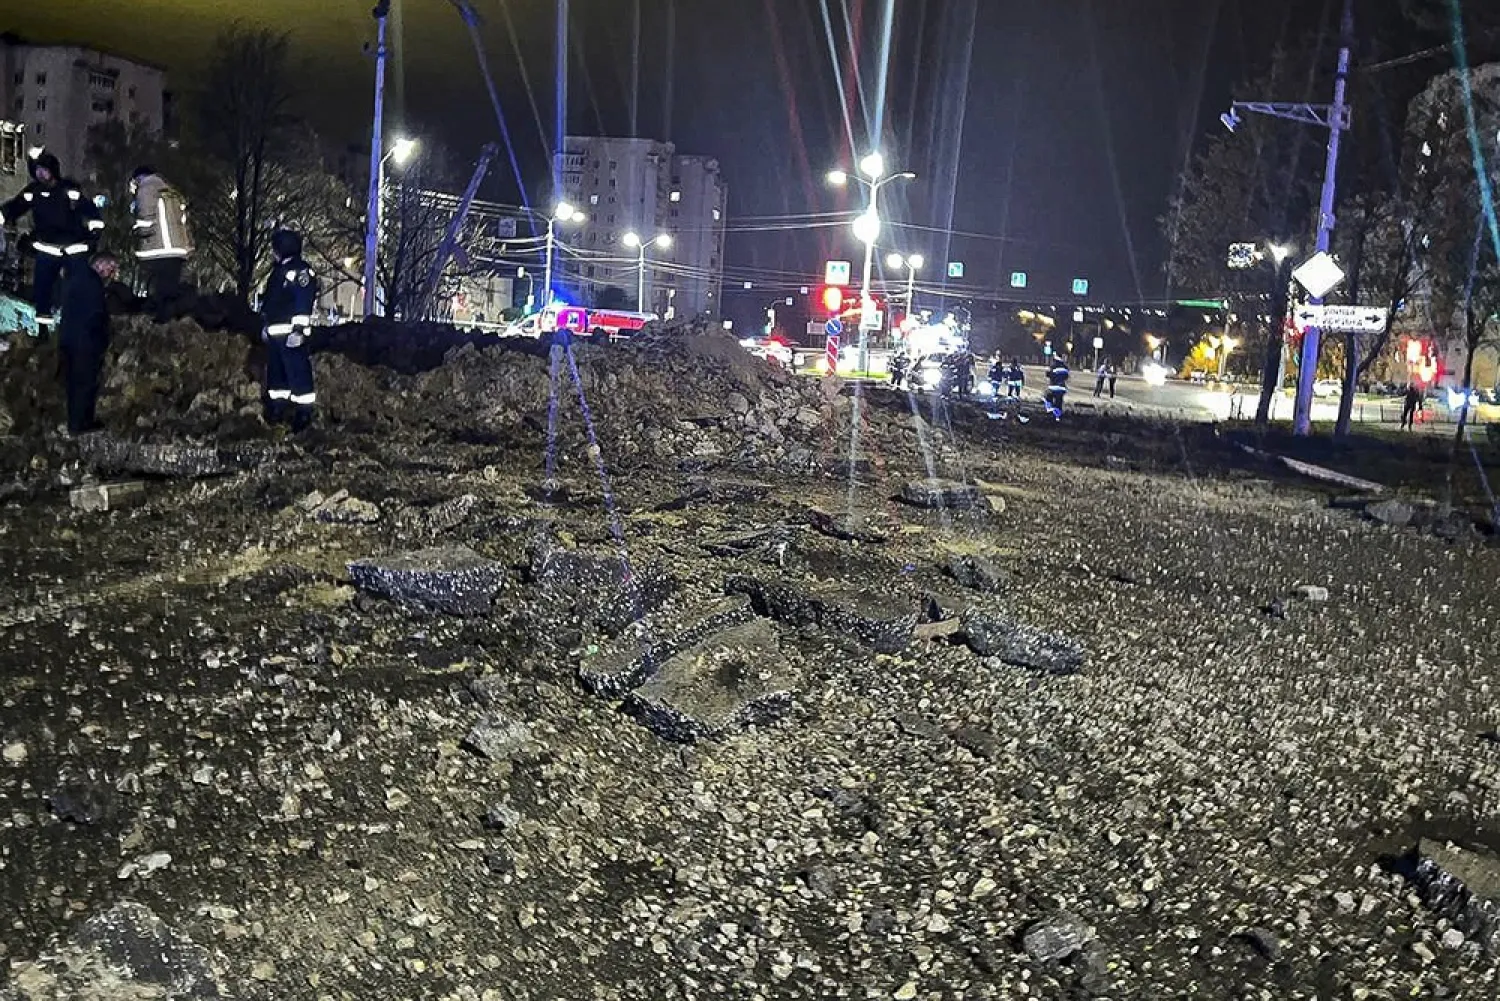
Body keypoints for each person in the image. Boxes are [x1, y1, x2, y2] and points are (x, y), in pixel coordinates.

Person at [0, 149, 103, 334]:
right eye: (37, 170)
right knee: (43, 290)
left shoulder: (69, 189)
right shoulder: (33, 192)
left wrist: (94, 233)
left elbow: (90, 210)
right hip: (47, 248)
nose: (40, 173)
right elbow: (15, 207)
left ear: (53, 170)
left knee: (77, 288)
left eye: (44, 169)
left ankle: (79, 325)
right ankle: (43, 330)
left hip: (74, 248)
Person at [260, 229, 320, 432]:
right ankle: (278, 409)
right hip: (276, 334)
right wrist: (266, 327)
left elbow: (303, 303)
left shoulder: (300, 271)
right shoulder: (280, 270)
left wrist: (299, 331)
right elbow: (271, 302)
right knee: (278, 376)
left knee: (298, 373)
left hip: (291, 335)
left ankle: (303, 413)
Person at [57, 252, 119, 435]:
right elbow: (96, 314)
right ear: (100, 264)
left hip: (69, 339)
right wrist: (102, 337)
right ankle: (81, 424)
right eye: (111, 267)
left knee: (73, 384)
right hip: (85, 342)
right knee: (85, 383)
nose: (112, 273)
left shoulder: (75, 279)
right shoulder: (93, 284)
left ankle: (75, 422)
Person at [130, 166, 193, 321]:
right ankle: (173, 323)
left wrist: (138, 233)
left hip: (157, 250)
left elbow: (145, 218)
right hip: (177, 250)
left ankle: (160, 326)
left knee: (159, 294)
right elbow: (184, 221)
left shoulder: (146, 188)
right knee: (170, 291)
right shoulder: (172, 192)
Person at [1045, 355, 1071, 420]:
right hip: (1062, 388)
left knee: (1047, 397)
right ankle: (1058, 417)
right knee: (1059, 402)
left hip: (1053, 387)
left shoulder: (1053, 366)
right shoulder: (1065, 367)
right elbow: (1066, 377)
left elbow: (1048, 375)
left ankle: (1049, 409)